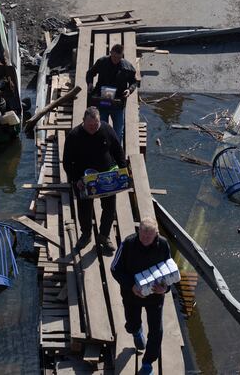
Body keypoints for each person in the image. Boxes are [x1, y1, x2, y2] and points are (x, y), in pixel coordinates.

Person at [110, 218, 172, 375]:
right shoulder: (128, 244)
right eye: (142, 236)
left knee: (156, 331)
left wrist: (165, 288)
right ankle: (136, 331)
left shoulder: (163, 245)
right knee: (131, 323)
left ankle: (147, 364)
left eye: (148, 237)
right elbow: (114, 268)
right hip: (132, 295)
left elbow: (170, 270)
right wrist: (131, 285)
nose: (145, 240)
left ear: (156, 234)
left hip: (155, 297)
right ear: (138, 231)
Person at [62, 106, 127, 254]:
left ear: (100, 121)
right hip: (83, 180)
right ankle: (86, 234)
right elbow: (67, 161)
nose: (93, 128)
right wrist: (75, 179)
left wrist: (123, 170)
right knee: (84, 210)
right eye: (90, 125)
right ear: (83, 121)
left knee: (109, 209)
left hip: (106, 178)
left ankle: (104, 236)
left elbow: (118, 151)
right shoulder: (74, 135)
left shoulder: (107, 129)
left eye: (96, 124)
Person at [85, 43, 137, 141]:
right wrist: (90, 83)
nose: (115, 59)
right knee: (101, 129)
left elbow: (134, 82)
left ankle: (116, 152)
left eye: (118, 58)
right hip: (102, 101)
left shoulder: (127, 67)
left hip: (118, 103)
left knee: (118, 131)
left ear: (122, 56)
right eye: (113, 57)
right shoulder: (102, 62)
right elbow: (90, 73)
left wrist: (129, 90)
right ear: (110, 53)